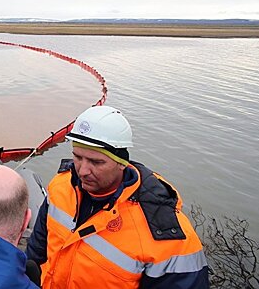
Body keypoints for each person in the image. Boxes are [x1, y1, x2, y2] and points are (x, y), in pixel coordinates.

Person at [26, 105, 209, 288]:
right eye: (78, 157)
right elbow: (36, 251)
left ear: (122, 163)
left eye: (96, 162)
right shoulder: (61, 186)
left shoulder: (164, 230)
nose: (82, 171)